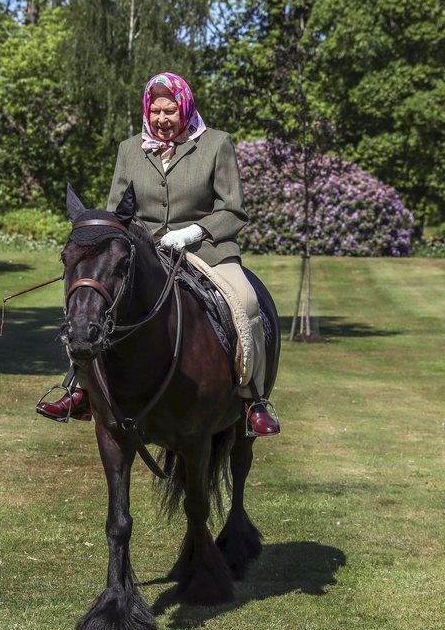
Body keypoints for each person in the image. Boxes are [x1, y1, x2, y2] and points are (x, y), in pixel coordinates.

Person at [37, 72, 279, 436]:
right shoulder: (129, 149)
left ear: (184, 107)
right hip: (144, 251)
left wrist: (194, 232)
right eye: (156, 112)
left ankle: (252, 398)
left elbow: (233, 209)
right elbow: (118, 212)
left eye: (170, 111)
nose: (163, 119)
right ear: (147, 111)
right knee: (91, 302)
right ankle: (80, 388)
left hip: (206, 249)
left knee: (246, 301)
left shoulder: (215, 144)